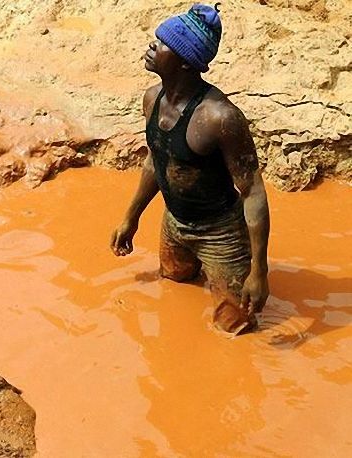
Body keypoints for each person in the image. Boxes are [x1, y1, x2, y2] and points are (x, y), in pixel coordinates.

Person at [110, 3, 270, 335]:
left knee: (235, 326)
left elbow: (253, 191)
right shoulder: (152, 98)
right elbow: (156, 159)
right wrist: (131, 217)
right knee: (174, 285)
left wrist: (260, 270)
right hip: (175, 224)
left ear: (185, 62)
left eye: (163, 42)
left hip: (221, 234)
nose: (152, 45)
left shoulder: (220, 118)